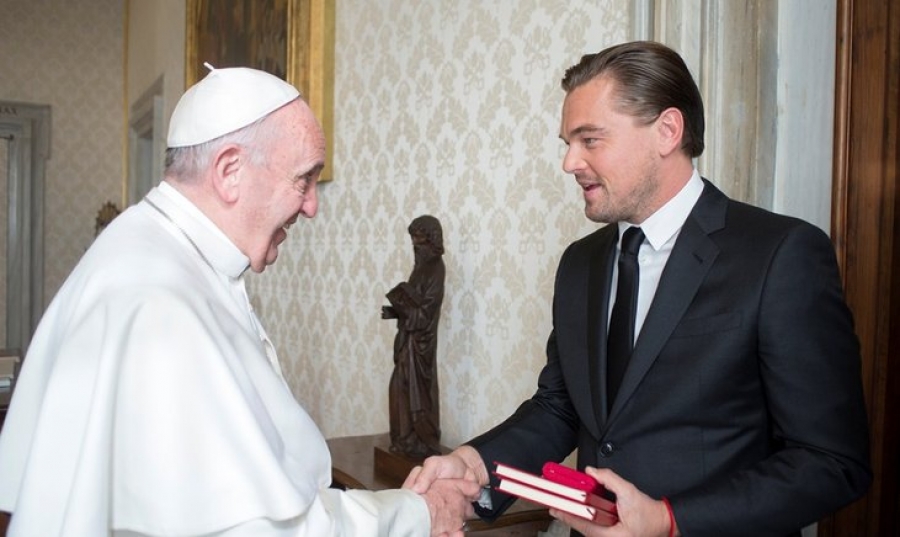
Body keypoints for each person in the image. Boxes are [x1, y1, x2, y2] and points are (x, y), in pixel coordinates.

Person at [410, 41, 872, 537]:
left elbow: (830, 462)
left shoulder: (781, 254)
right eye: (567, 142)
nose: (570, 162)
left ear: (667, 131)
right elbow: (559, 407)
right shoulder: (579, 263)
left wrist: (670, 521)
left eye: (590, 140)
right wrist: (475, 465)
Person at [0, 66, 478, 536]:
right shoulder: (159, 305)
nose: (312, 205)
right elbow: (261, 528)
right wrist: (420, 513)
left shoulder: (151, 252)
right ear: (229, 171)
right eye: (303, 179)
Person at [382, 215, 446, 458]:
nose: (416, 248)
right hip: (407, 342)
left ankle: (424, 442)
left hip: (422, 346)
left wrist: (405, 306)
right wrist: (394, 310)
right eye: (413, 243)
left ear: (432, 241)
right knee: (399, 390)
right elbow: (413, 307)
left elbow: (425, 313)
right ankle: (404, 440)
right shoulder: (419, 268)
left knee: (419, 395)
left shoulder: (436, 269)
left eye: (419, 243)